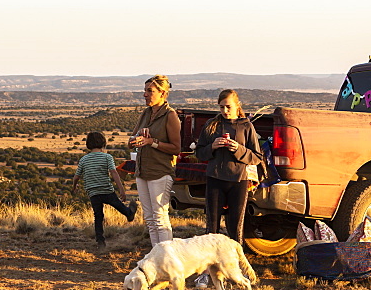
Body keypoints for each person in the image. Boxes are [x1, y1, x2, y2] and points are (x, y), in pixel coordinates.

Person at [193, 89, 264, 245]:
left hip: (238, 181)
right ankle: (210, 265)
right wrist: (212, 147)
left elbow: (257, 157)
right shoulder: (212, 125)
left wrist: (237, 149)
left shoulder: (246, 126)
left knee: (235, 226)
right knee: (212, 226)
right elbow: (199, 153)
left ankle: (237, 263)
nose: (224, 111)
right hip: (215, 179)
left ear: (237, 106)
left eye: (228, 107)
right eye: (221, 107)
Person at [128, 75, 182, 246]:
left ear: (163, 93)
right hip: (142, 171)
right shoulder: (146, 113)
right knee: (150, 219)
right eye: (145, 91)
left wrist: (152, 142)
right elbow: (132, 140)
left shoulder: (170, 115)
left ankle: (167, 259)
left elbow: (176, 148)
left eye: (149, 91)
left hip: (160, 171)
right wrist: (134, 141)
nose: (145, 94)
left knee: (160, 218)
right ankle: (156, 257)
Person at [73, 131, 138, 250]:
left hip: (93, 192)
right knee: (118, 205)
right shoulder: (107, 157)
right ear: (103, 143)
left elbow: (76, 177)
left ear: (88, 144)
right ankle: (129, 213)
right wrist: (122, 190)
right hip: (107, 190)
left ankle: (100, 241)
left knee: (98, 216)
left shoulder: (84, 159)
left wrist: (74, 187)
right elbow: (114, 173)